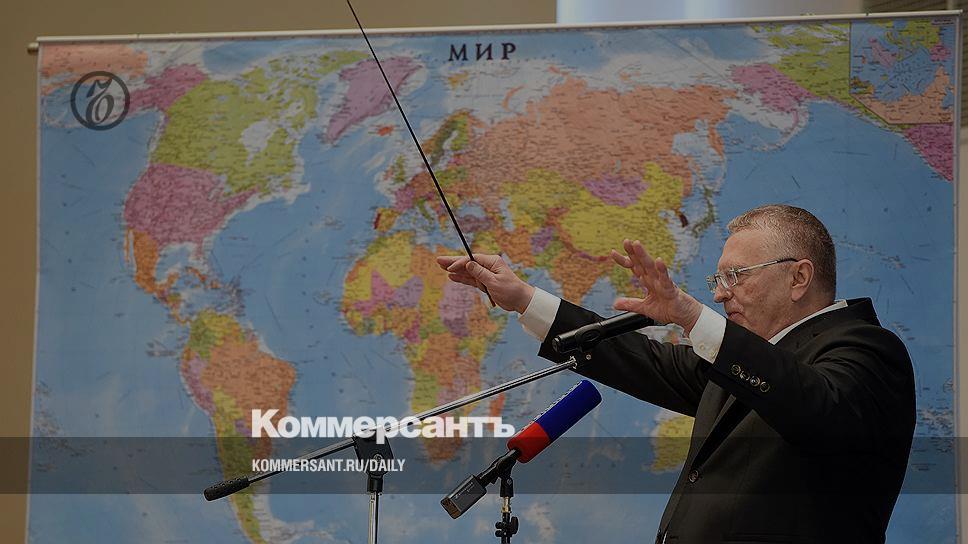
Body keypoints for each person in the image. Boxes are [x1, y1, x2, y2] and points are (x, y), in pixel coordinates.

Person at [437, 204, 914, 544]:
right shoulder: (746, 363)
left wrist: (691, 316)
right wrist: (523, 298)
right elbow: (644, 361)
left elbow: (815, 408)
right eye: (718, 280)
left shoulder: (867, 349)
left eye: (736, 276)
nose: (721, 294)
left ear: (799, 278)